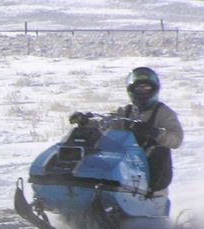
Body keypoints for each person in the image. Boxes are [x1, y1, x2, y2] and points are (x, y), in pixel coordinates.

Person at [69, 66, 183, 196]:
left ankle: (149, 196)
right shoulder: (126, 111)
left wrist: (155, 132)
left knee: (156, 152)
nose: (142, 92)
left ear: (154, 89)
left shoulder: (163, 113)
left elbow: (176, 139)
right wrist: (85, 121)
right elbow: (106, 122)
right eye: (138, 88)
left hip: (150, 173)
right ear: (131, 90)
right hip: (125, 168)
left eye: (146, 88)